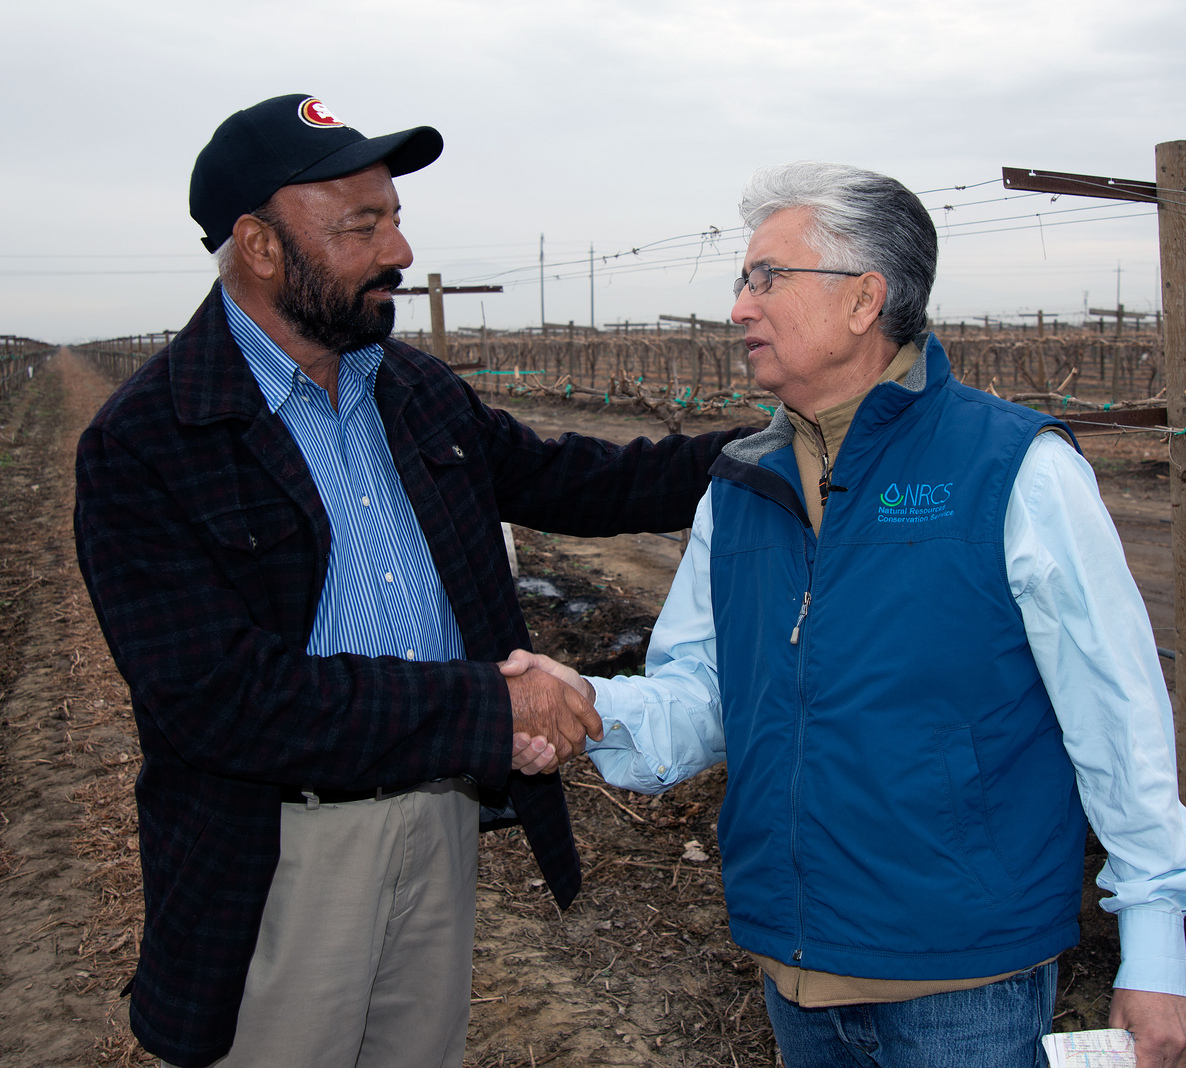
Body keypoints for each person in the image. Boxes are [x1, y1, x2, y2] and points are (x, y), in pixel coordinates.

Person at [73, 94, 750, 1068]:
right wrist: (490, 701)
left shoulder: (412, 389)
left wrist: (780, 447)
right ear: (260, 248)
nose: (398, 249)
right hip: (281, 853)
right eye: (364, 225)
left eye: (394, 216)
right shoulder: (150, 442)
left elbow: (578, 478)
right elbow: (219, 700)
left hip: (439, 817)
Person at [503, 162, 1186, 1068]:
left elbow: (1116, 714)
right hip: (793, 964)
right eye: (742, 279)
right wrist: (587, 703)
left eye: (767, 278)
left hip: (963, 980)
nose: (739, 307)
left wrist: (1155, 954)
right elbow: (708, 697)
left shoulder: (1015, 469)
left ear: (863, 300)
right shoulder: (739, 486)